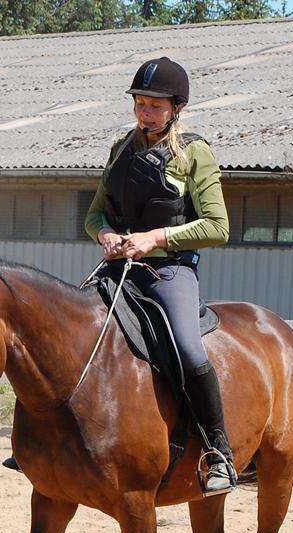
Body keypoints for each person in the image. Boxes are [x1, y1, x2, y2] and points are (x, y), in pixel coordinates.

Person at [87, 56, 236, 495]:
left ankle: (218, 453)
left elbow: (218, 226)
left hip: (169, 271)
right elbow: (94, 212)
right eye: (139, 103)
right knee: (66, 331)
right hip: (118, 266)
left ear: (175, 107)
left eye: (154, 105)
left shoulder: (194, 153)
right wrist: (107, 234)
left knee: (189, 352)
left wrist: (156, 238)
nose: (145, 112)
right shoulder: (120, 149)